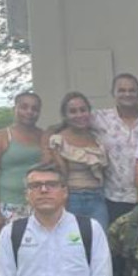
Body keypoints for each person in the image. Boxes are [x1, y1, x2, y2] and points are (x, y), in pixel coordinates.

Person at [92, 73, 138, 220]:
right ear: (113, 93)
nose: (127, 94)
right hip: (114, 198)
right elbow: (69, 123)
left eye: (132, 90)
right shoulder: (99, 118)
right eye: (121, 90)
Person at [0, 91, 45, 234]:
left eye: (35, 108)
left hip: (40, 204)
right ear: (14, 109)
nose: (29, 112)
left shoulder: (44, 136)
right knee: (14, 244)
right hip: (10, 205)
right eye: (24, 107)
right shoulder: (0, 137)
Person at [46, 92, 108, 226]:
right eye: (73, 111)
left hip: (98, 198)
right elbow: (58, 176)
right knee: (73, 238)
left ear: (89, 112)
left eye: (83, 110)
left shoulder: (97, 138)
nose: (79, 115)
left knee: (99, 237)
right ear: (65, 115)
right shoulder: (58, 140)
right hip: (72, 199)